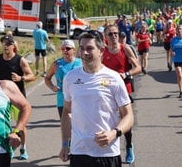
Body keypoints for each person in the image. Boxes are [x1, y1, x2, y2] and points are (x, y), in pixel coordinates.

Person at [58, 32, 134, 167]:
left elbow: (128, 115)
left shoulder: (114, 78)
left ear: (101, 51)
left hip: (107, 153)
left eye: (89, 48)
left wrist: (114, 133)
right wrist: (65, 143)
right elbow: (66, 112)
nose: (84, 52)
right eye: (82, 48)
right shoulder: (70, 78)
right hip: (79, 151)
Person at [102, 26, 141, 164]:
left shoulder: (125, 48)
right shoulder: (103, 51)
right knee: (108, 118)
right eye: (110, 34)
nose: (114, 36)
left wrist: (126, 74)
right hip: (106, 89)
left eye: (116, 33)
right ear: (105, 36)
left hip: (124, 88)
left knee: (126, 118)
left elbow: (138, 67)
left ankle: (129, 146)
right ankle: (108, 147)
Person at [0, 35, 35, 160]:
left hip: (18, 97)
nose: (5, 46)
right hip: (1, 96)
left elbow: (31, 75)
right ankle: (8, 148)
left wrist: (21, 78)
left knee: (20, 125)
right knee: (3, 124)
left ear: (13, 46)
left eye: (8, 44)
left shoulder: (19, 60)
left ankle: (23, 148)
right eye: (4, 43)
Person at [44, 39, 82, 119]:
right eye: (63, 49)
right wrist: (52, 87)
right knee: (66, 127)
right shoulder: (56, 64)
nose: (65, 50)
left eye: (68, 48)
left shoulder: (81, 63)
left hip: (79, 100)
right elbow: (47, 78)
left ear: (74, 50)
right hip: (62, 100)